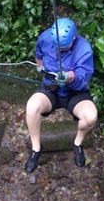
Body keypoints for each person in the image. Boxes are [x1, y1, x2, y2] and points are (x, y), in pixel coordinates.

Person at [24, 17, 98, 173]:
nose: (60, 50)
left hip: (75, 93)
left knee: (91, 116)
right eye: (57, 47)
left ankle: (77, 144)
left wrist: (72, 77)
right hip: (51, 88)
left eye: (63, 48)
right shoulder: (46, 38)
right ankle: (36, 148)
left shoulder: (84, 50)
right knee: (31, 107)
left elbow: (84, 79)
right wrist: (40, 67)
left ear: (73, 39)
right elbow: (38, 53)